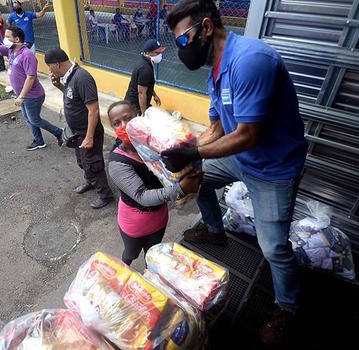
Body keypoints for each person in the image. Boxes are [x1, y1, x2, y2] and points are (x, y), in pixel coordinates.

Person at [164, 0, 307, 347]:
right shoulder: (216, 68)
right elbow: (216, 128)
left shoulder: (250, 61)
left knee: (273, 248)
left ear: (207, 28)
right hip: (241, 159)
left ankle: (286, 308)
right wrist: (184, 150)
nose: (180, 49)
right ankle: (214, 229)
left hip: (273, 168)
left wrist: (194, 151)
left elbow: (246, 135)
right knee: (193, 176)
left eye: (183, 40)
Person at [106, 100, 202, 265]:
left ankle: (150, 274)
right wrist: (180, 189)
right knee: (131, 253)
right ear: (113, 129)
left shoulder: (154, 144)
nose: (124, 125)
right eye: (117, 123)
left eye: (128, 118)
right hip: (134, 223)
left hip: (160, 216)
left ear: (138, 117)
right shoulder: (117, 163)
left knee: (153, 254)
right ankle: (124, 267)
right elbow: (141, 196)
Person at [0, 24, 64, 151]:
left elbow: (30, 77)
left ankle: (58, 132)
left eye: (8, 37)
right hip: (23, 95)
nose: (4, 39)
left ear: (17, 39)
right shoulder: (10, 51)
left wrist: (21, 96)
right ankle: (39, 141)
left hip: (32, 96)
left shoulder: (27, 55)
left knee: (34, 119)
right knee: (28, 118)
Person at [44, 48, 114, 210]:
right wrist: (59, 86)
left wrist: (89, 137)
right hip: (77, 133)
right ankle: (91, 182)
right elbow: (72, 96)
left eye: (49, 66)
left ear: (57, 64)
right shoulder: (69, 77)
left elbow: (93, 109)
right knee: (82, 162)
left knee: (92, 164)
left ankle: (106, 195)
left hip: (87, 132)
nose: (49, 70)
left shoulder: (82, 77)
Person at [124, 39, 164, 116]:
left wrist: (154, 95)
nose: (160, 55)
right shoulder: (145, 69)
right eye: (157, 52)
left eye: (160, 52)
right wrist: (144, 114)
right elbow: (141, 93)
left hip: (136, 104)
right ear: (149, 53)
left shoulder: (146, 62)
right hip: (135, 107)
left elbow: (146, 84)